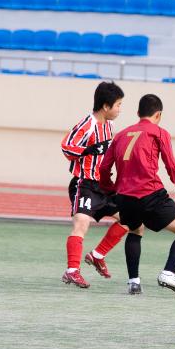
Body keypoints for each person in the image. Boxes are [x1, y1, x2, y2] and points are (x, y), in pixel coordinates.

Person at [97, 93, 175, 295]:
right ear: (158, 115)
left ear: (138, 113)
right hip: (150, 193)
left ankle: (134, 282)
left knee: (135, 230)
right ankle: (168, 272)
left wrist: (112, 189)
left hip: (124, 196)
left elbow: (103, 168)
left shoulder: (121, 135)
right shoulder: (158, 132)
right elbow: (171, 166)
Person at [61, 80, 128, 288]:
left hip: (104, 186)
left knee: (130, 220)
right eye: (118, 105)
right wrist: (88, 150)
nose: (119, 109)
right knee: (81, 224)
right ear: (106, 106)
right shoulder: (87, 124)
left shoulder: (110, 125)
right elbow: (66, 147)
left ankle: (98, 255)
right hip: (85, 184)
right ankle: (72, 271)